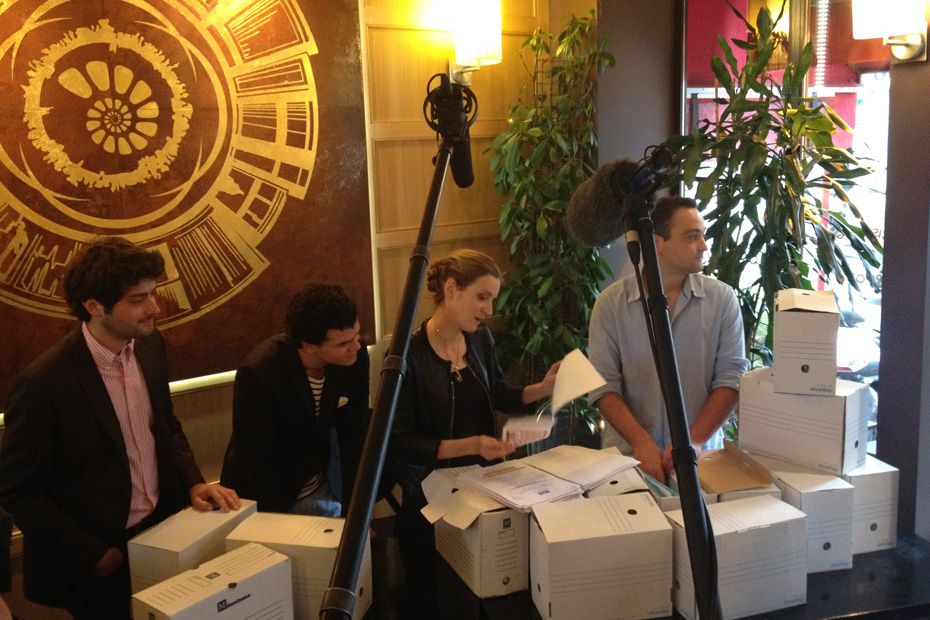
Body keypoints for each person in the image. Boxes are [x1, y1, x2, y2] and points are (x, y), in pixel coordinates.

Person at [0, 237, 240, 619]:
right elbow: (18, 490)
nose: (154, 307)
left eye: (153, 293)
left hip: (161, 531)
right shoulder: (43, 384)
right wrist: (90, 553)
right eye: (138, 299)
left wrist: (194, 482)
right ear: (94, 306)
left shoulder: (149, 345)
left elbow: (165, 425)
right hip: (99, 556)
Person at [389, 249, 558, 615]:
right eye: (482, 297)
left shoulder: (479, 340)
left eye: (492, 299)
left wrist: (542, 389)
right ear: (452, 289)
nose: (489, 310)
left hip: (480, 487)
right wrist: (473, 445)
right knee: (433, 600)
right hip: (428, 496)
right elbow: (401, 442)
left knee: (482, 594)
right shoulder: (407, 354)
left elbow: (498, 392)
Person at [588, 196, 749, 483]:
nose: (704, 246)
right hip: (628, 461)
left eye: (703, 236)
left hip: (701, 460)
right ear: (657, 243)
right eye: (692, 237)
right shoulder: (610, 304)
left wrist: (692, 441)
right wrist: (641, 442)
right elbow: (603, 386)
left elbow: (731, 379)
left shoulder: (723, 300)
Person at [220, 283, 371, 517]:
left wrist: (355, 513)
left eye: (357, 335)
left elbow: (354, 432)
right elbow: (259, 460)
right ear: (309, 346)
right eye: (343, 344)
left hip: (324, 483)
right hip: (272, 493)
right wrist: (280, 524)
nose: (356, 346)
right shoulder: (260, 373)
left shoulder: (354, 358)